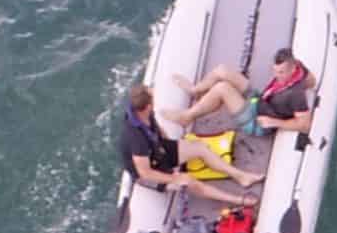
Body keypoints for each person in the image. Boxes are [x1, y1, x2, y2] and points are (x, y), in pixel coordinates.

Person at [118, 83, 263, 192]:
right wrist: (175, 178)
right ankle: (240, 200)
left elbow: (157, 130)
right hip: (149, 173)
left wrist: (173, 147)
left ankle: (241, 177)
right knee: (192, 183)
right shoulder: (136, 138)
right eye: (153, 97)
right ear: (148, 106)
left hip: (158, 153)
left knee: (200, 148)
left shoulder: (145, 113)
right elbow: (145, 173)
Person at [170, 47, 315, 141]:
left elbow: (305, 125)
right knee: (222, 70)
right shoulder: (298, 67)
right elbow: (312, 81)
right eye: (275, 70)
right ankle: (195, 91)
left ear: (292, 69)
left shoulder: (296, 94)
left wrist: (275, 122)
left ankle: (187, 117)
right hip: (260, 101)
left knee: (222, 88)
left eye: (281, 72)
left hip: (258, 121)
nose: (276, 75)